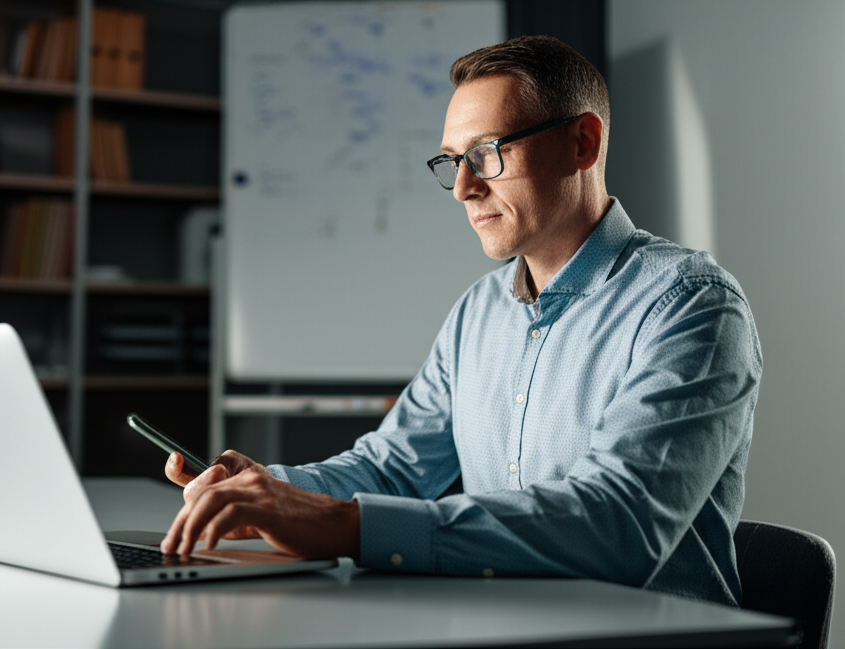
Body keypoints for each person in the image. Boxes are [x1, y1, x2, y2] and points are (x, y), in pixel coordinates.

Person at [162, 35, 761, 606]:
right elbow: (392, 469)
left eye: (488, 154)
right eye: (453, 162)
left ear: (583, 142)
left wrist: (343, 525)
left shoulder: (691, 305)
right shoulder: (480, 310)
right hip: (497, 622)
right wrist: (268, 491)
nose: (463, 189)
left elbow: (617, 525)